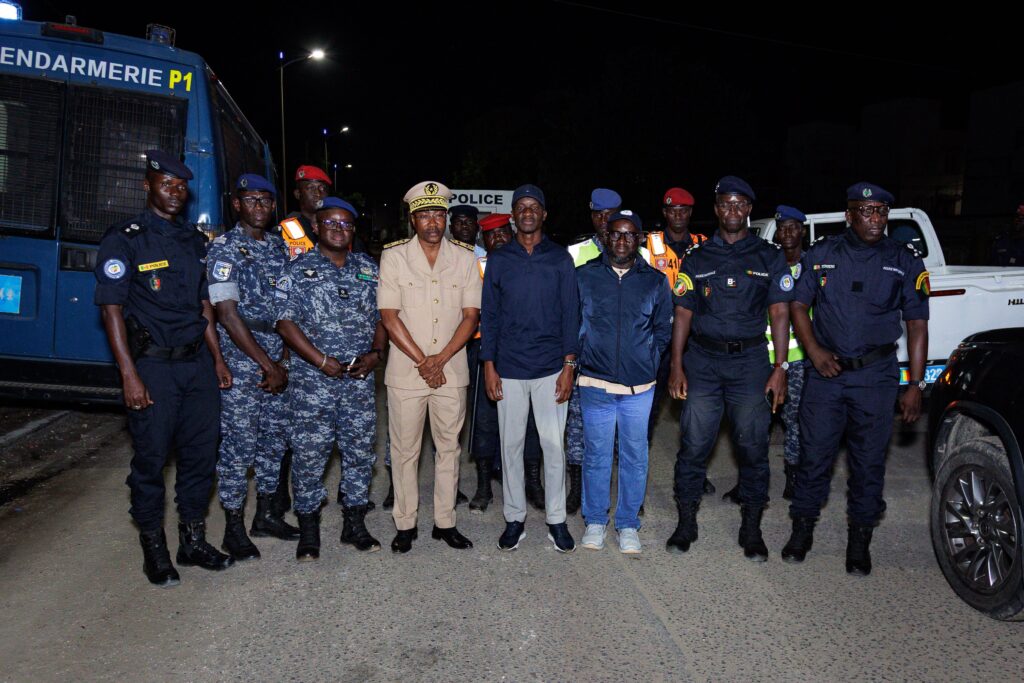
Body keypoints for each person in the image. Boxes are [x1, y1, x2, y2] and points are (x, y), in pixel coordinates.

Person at [94, 150, 234, 587]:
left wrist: (217, 359)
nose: (174, 192)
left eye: (180, 187)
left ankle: (192, 541)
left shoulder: (194, 241)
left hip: (196, 366)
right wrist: (129, 375)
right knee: (151, 460)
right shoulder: (125, 239)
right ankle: (154, 546)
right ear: (147, 185)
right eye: (166, 184)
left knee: (201, 456)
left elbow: (203, 306)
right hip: (153, 368)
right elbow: (112, 311)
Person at [782, 182, 929, 576]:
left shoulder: (905, 260)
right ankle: (802, 530)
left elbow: (917, 324)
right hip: (827, 376)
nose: (875, 219)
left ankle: (860, 540)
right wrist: (813, 351)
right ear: (849, 215)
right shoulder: (823, 254)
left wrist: (915, 384)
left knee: (868, 463)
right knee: (814, 457)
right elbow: (798, 305)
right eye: (866, 211)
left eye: (881, 211)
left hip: (876, 376)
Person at [666, 176, 791, 562]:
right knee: (693, 446)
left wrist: (780, 367)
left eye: (740, 204)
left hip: (750, 363)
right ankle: (686, 523)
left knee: (753, 448)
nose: (733, 211)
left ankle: (751, 529)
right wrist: (676, 365)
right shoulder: (698, 257)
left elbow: (781, 313)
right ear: (717, 209)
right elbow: (683, 313)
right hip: (702, 362)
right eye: (726, 204)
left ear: (749, 209)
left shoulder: (768, 256)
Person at [275, 197, 386, 561]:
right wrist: (320, 361)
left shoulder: (368, 269)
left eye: (346, 224)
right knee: (310, 455)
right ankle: (309, 530)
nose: (339, 230)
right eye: (332, 224)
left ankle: (354, 524)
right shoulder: (297, 271)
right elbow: (285, 323)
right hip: (312, 384)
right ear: (318, 228)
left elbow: (383, 318)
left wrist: (375, 354)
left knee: (358, 453)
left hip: (357, 380)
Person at [378, 181, 480, 554]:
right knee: (405, 451)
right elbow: (389, 317)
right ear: (413, 219)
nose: (433, 222)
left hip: (451, 371)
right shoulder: (394, 257)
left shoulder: (466, 258)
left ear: (447, 218)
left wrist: (439, 360)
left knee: (448, 449)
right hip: (407, 372)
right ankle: (405, 523)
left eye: (439, 214)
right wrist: (424, 361)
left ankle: (445, 522)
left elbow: (471, 317)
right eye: (425, 215)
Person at [481, 184, 579, 553]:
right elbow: (489, 316)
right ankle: (514, 518)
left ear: (544, 214)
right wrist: (489, 366)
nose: (527, 212)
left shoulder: (559, 258)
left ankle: (556, 520)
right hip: (508, 367)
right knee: (511, 446)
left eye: (533, 206)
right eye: (521, 207)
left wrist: (569, 365)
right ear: (513, 215)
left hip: (551, 367)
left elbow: (572, 313)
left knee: (554, 447)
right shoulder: (500, 259)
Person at [207, 174, 298, 562]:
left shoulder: (281, 248)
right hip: (244, 359)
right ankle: (233, 528)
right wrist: (267, 364)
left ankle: (265, 516)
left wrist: (286, 360)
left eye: (265, 200)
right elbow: (226, 314)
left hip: (279, 355)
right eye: (251, 200)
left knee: (274, 443)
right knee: (239, 447)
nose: (259, 207)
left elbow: (291, 308)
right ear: (237, 205)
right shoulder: (224, 249)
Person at [576, 210, 672, 554]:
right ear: (606, 236)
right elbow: (573, 324)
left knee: (635, 456)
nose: (621, 240)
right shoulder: (584, 277)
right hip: (595, 384)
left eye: (630, 235)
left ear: (639, 239)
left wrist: (646, 362)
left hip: (639, 389)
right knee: (597, 456)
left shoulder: (654, 281)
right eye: (615, 233)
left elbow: (663, 332)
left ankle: (628, 523)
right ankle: (596, 520)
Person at [723, 205, 809, 503]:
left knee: (794, 422)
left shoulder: (812, 268)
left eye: (793, 227)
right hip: (758, 359)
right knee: (750, 425)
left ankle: (793, 477)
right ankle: (747, 483)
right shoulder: (763, 262)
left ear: (802, 231)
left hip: (796, 362)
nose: (787, 233)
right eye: (782, 227)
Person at [467, 213, 543, 512]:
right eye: (491, 235)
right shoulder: (474, 267)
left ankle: (533, 482)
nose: (497, 238)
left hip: (524, 352)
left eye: (502, 233)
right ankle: (484, 485)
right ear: (482, 240)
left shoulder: (526, 262)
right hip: (483, 349)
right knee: (484, 419)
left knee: (531, 421)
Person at [563, 188, 622, 514]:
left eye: (610, 214)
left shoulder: (634, 250)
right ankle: (577, 488)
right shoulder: (575, 253)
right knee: (577, 425)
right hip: (584, 355)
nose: (604, 220)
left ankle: (617, 490)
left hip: (619, 357)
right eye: (599, 215)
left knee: (618, 426)